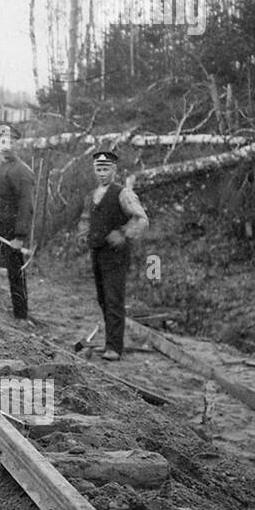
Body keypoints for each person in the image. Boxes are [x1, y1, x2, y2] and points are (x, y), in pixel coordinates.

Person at [87, 149, 149, 360]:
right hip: (97, 252)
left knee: (114, 298)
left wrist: (123, 233)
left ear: (114, 170)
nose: (102, 173)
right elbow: (88, 219)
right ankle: (110, 342)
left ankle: (114, 347)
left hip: (116, 255)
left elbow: (141, 219)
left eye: (106, 169)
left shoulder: (123, 193)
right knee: (103, 298)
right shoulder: (95, 193)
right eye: (98, 169)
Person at [0, 127, 35, 322]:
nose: (7, 146)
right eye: (3, 141)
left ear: (17, 145)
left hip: (11, 225)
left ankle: (21, 315)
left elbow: (26, 207)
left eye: (11, 142)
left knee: (15, 271)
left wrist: (19, 237)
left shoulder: (22, 172)